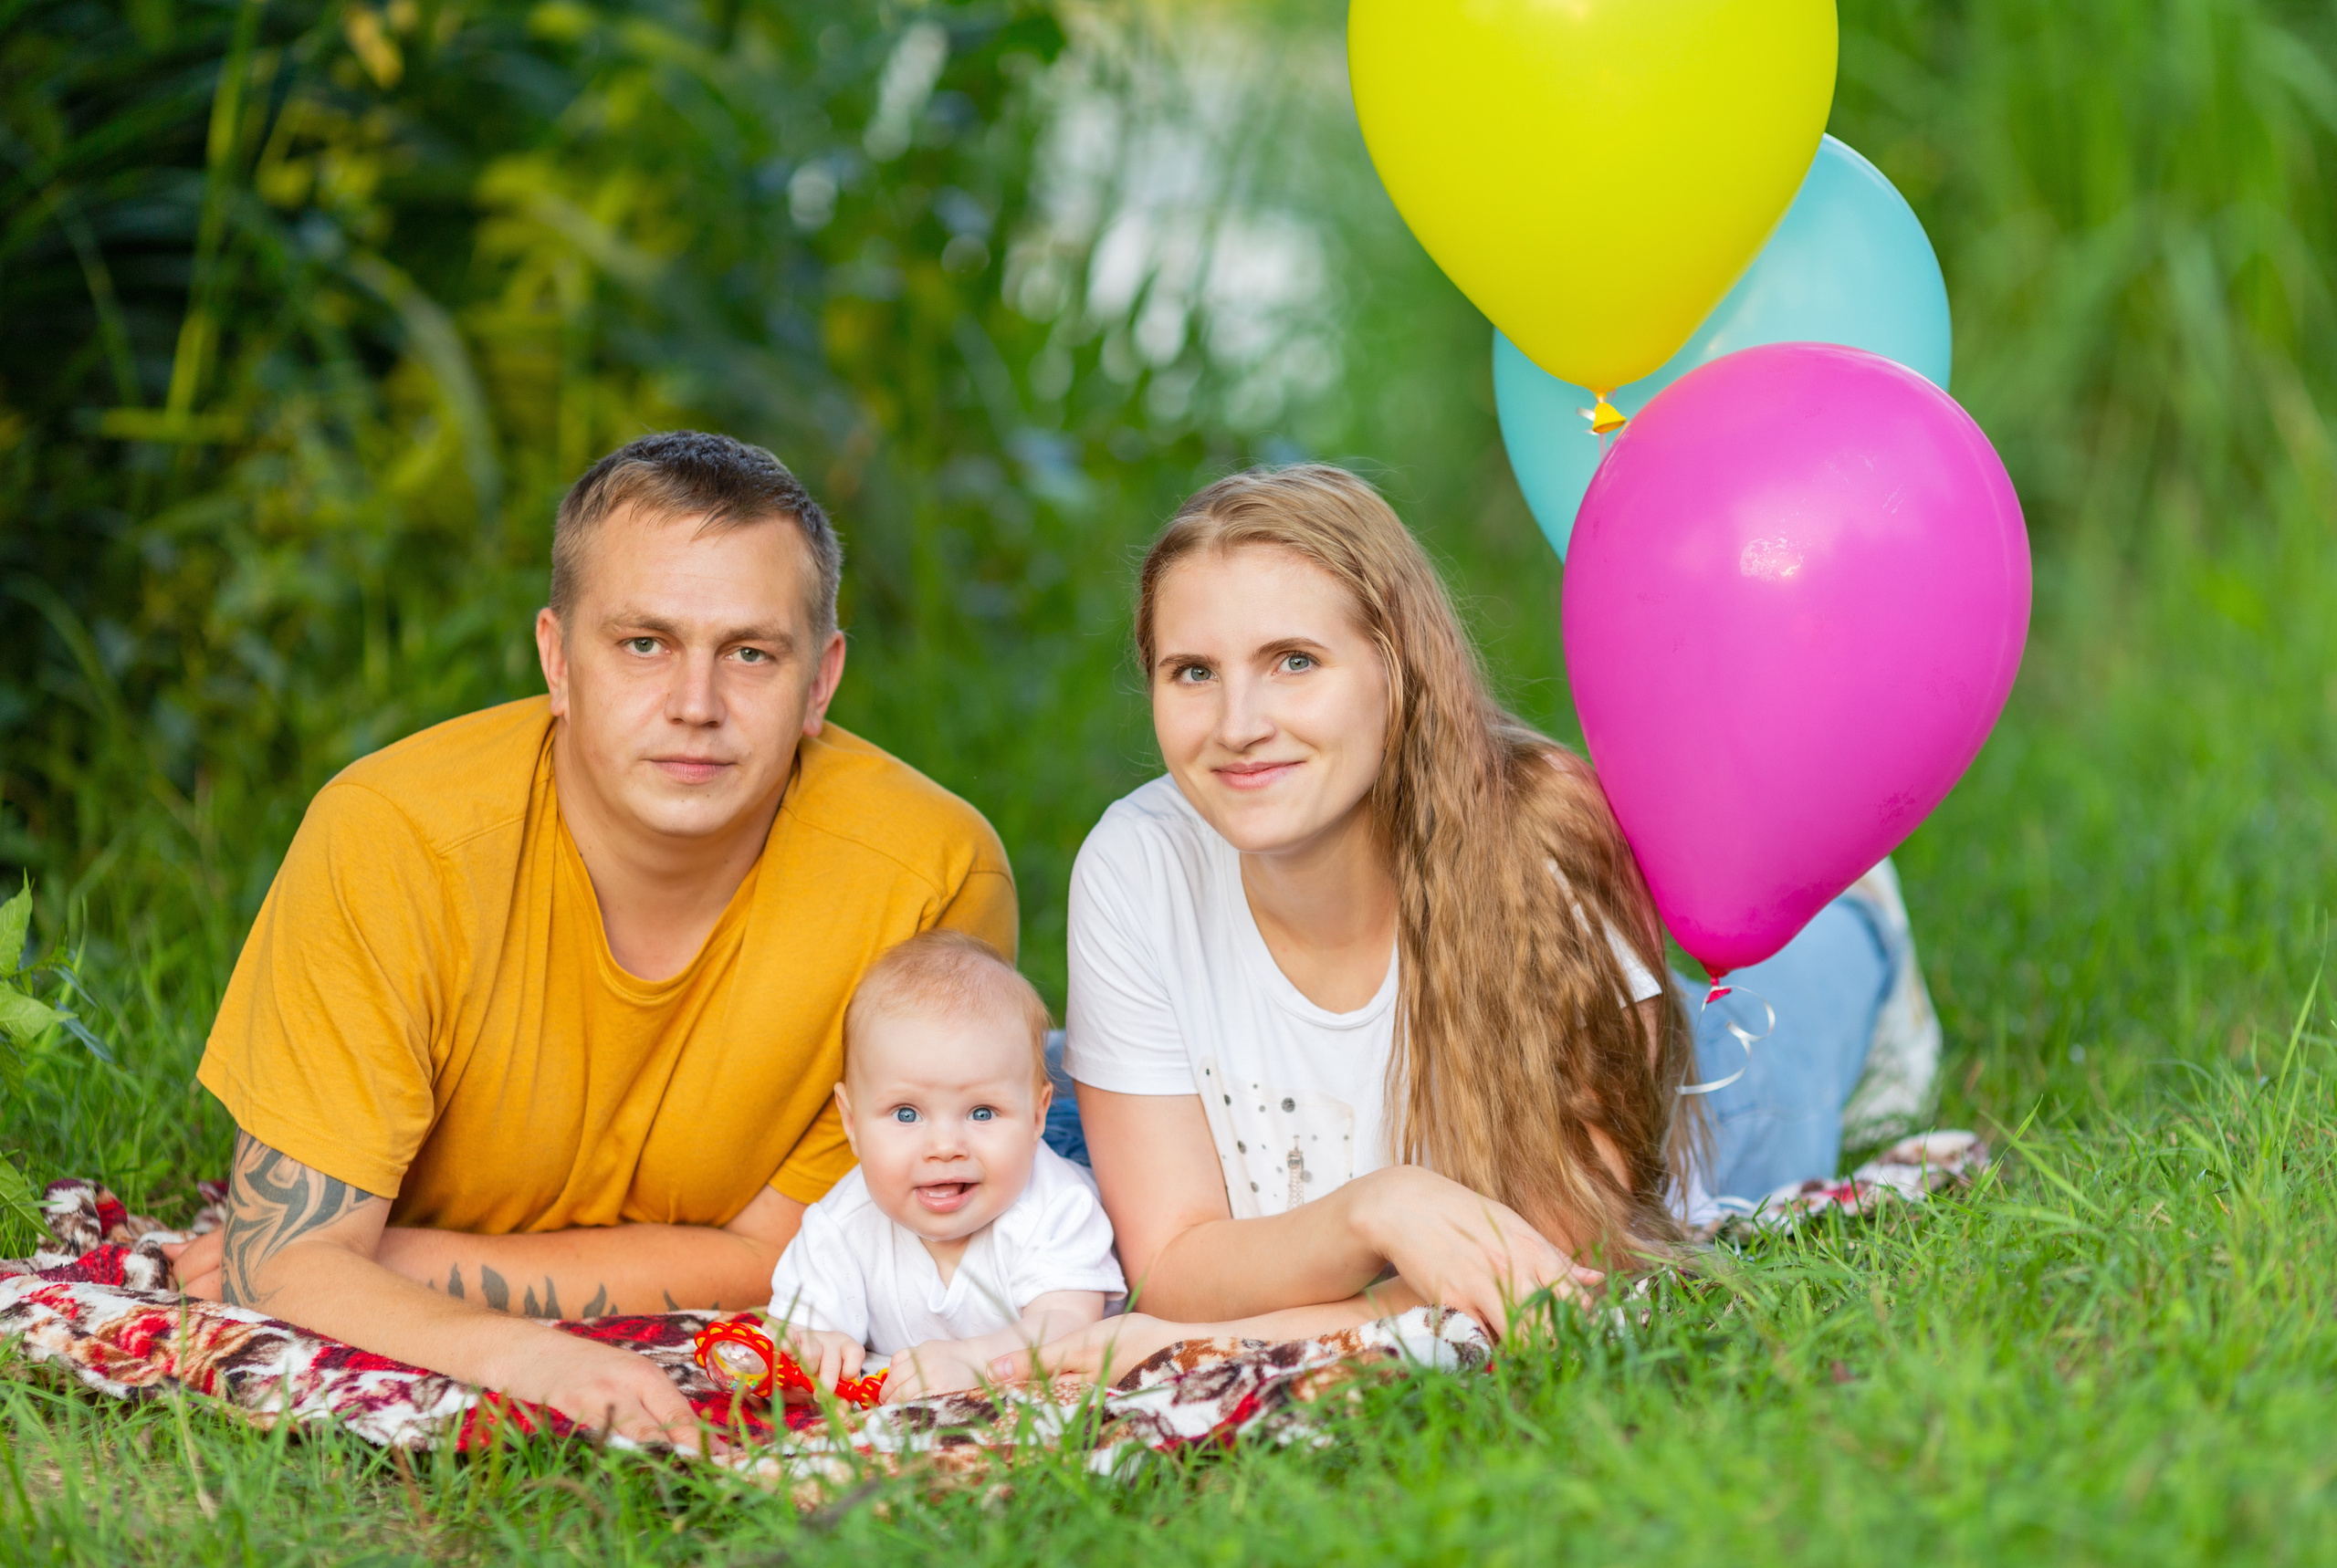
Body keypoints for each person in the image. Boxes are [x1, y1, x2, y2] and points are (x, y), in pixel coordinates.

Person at [994, 464, 1938, 1385]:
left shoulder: (1536, 839)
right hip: (1365, 1236)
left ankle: (1859, 913)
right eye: (1192, 671)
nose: (1237, 723)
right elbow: (1172, 1266)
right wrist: (1379, 1208)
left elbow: (1552, 1275)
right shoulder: (1136, 862)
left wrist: (1194, 1340)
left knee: (1784, 1028)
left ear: (1397, 671)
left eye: (1293, 661)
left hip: (1702, 1118)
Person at [163, 433, 1017, 1449]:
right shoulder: (391, 838)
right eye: (644, 643)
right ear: (557, 659)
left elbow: (815, 1253)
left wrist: (392, 1259)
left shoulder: (930, 875)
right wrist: (532, 1357)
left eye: (750, 652)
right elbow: (288, 1262)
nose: (695, 705)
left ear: (821, 682)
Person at [766, 931, 1123, 1404]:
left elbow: (1066, 1328)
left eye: (981, 1112)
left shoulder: (1058, 1207)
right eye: (906, 1114)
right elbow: (787, 1350)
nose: (945, 1147)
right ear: (850, 1121)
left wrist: (975, 1362)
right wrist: (813, 1354)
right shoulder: (839, 1228)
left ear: (1035, 1115)